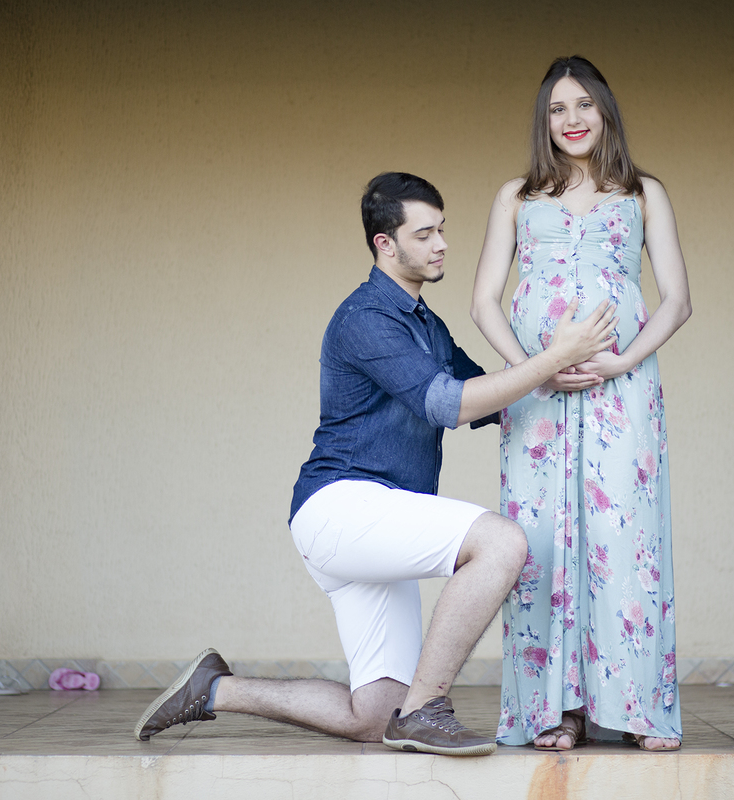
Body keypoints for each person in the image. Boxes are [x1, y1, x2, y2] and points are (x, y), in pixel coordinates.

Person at [134, 171, 619, 756]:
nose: (442, 244)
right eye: (424, 234)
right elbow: (448, 404)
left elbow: (495, 398)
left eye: (442, 229)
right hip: (341, 507)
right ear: (384, 244)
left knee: (373, 716)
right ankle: (426, 708)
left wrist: (571, 381)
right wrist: (553, 357)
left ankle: (214, 689)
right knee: (501, 543)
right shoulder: (364, 318)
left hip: (376, 524)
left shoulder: (426, 325)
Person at [471, 56, 692, 751]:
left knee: (626, 541)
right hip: (537, 401)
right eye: (557, 109)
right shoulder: (516, 196)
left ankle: (637, 711)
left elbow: (677, 300)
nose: (571, 120)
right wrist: (531, 371)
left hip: (623, 393)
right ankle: (555, 712)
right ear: (544, 120)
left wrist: (623, 360)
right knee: (541, 544)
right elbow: (483, 301)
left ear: (605, 111)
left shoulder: (643, 193)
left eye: (584, 105)